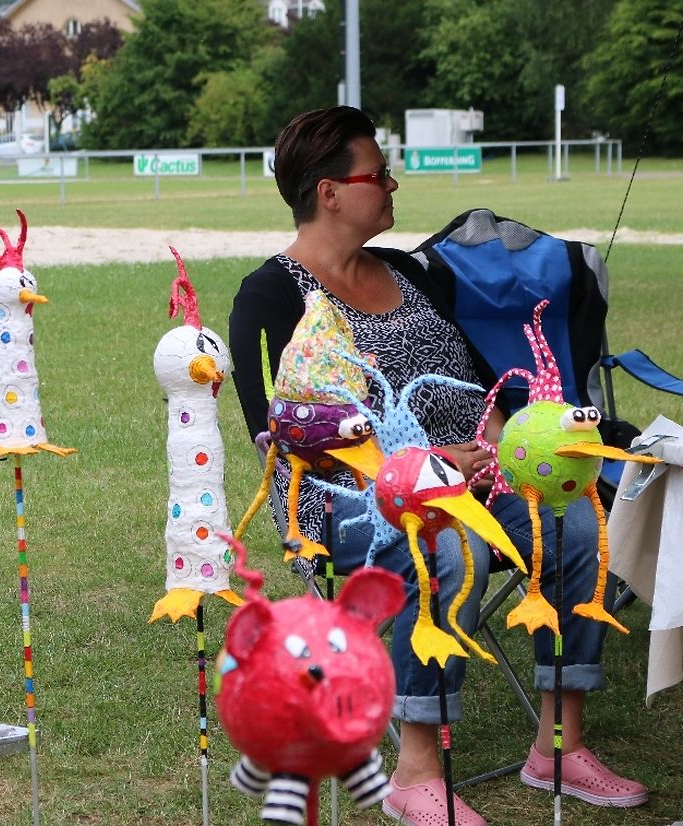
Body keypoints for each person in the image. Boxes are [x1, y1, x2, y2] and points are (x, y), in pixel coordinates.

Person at [227, 106, 647, 826]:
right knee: (447, 548)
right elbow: (279, 438)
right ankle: (415, 771)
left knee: (576, 520)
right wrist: (416, 467)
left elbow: (478, 387)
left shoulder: (406, 271)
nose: (393, 184)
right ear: (330, 193)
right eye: (378, 173)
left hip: (474, 476)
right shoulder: (269, 295)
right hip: (347, 496)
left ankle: (558, 744)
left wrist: (519, 451)